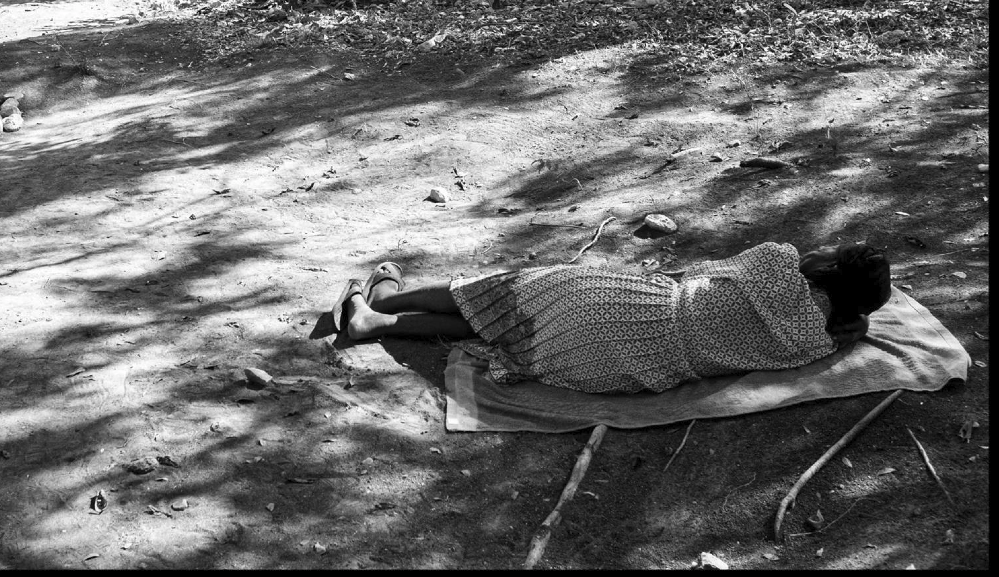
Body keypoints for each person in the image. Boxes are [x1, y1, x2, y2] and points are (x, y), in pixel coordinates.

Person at [332, 242, 892, 394]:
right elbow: (849, 332)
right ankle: (374, 326)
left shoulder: (777, 262)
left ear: (832, 265)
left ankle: (382, 301)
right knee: (516, 328)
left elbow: (711, 268)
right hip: (630, 370)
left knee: (511, 293)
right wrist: (852, 325)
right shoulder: (816, 343)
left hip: (641, 309)